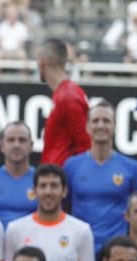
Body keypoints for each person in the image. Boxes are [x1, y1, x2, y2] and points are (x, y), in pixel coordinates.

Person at [64, 101, 137, 253]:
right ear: (87, 127)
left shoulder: (132, 168)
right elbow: (64, 207)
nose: (101, 125)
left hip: (118, 251)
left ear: (114, 126)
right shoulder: (71, 166)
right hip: (80, 249)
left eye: (106, 121)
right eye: (96, 121)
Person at [37, 38, 91, 166]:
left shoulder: (68, 97)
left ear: (42, 63)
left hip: (61, 178)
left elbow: (84, 146)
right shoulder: (65, 94)